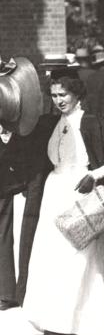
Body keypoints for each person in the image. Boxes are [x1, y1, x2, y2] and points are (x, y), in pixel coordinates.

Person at [23, 68, 104, 335]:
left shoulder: (93, 122)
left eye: (64, 94)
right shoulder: (53, 124)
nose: (58, 100)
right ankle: (53, 321)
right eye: (54, 95)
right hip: (54, 192)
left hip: (83, 191)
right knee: (50, 259)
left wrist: (94, 175)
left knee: (79, 259)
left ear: (77, 93)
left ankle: (73, 325)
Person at [0, 57, 48, 309]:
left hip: (14, 184)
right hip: (7, 183)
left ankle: (12, 291)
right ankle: (7, 292)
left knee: (10, 231)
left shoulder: (20, 125)